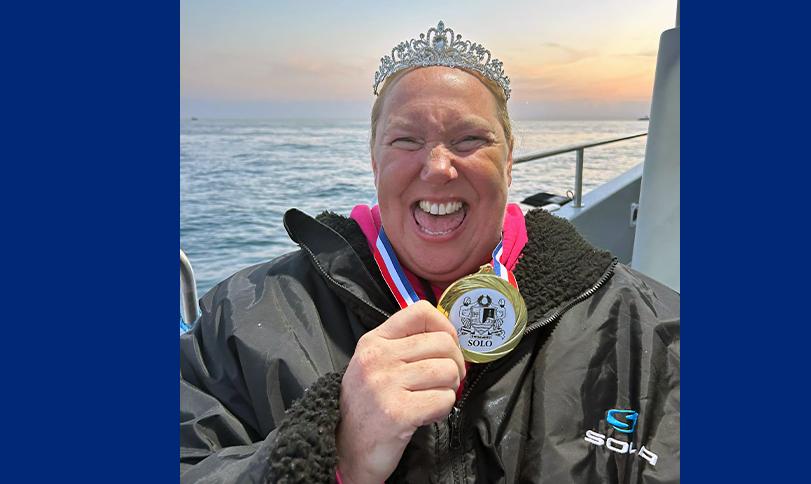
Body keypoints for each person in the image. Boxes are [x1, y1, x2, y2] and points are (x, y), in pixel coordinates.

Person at [180, 20, 680, 484]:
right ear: (374, 159)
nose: (438, 167)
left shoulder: (650, 329)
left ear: (508, 161)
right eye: (405, 140)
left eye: (468, 139)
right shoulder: (241, 317)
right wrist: (333, 453)